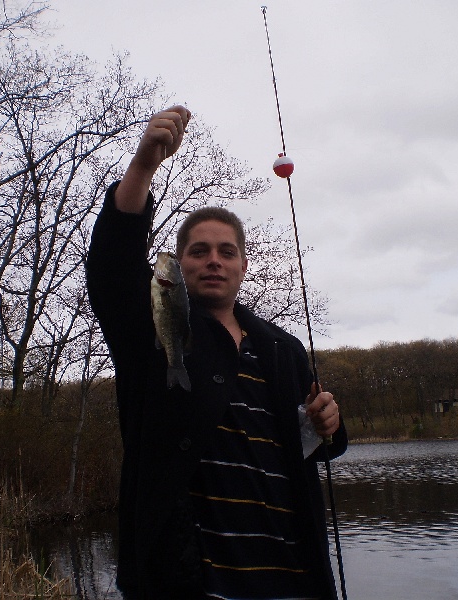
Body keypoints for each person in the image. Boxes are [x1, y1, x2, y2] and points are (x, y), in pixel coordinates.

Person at [86, 105, 347, 600]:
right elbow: (115, 266)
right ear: (178, 265)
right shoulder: (153, 333)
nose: (213, 261)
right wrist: (143, 167)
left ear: (244, 266)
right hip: (193, 583)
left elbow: (309, 445)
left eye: (226, 252)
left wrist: (329, 424)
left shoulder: (282, 349)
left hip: (295, 578)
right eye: (198, 251)